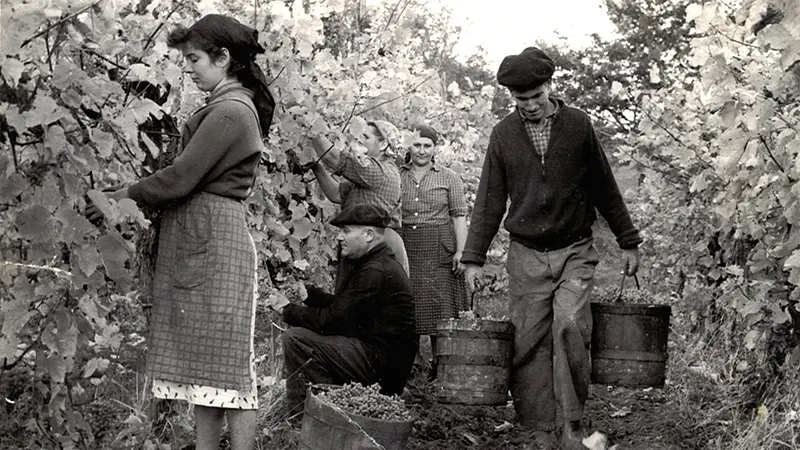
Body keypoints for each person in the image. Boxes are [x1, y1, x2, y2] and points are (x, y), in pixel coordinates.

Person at [86, 14, 275, 450]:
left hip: (217, 243)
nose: (188, 67)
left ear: (223, 58)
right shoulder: (223, 106)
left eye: (194, 59)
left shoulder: (231, 111)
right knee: (202, 367)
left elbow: (180, 178)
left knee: (230, 368)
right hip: (201, 238)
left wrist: (119, 197)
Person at [460, 47, 642, 450]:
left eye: (535, 97)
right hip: (525, 254)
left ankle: (572, 426)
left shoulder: (578, 126)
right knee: (527, 339)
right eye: (520, 100)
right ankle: (541, 429)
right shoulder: (503, 135)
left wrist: (628, 241)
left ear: (549, 87)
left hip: (574, 249)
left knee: (570, 327)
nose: (528, 106)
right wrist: (473, 257)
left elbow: (605, 187)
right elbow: (489, 200)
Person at [278, 203, 417, 416]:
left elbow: (332, 321)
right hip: (384, 361)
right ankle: (334, 402)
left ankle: (316, 413)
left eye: (346, 231)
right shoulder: (378, 263)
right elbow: (347, 308)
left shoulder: (375, 270)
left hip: (379, 366)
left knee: (296, 339)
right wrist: (312, 296)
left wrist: (287, 310)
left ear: (369, 235)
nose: (339, 237)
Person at [398, 124, 469, 378]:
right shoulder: (397, 175)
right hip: (407, 247)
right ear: (409, 146)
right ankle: (413, 368)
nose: (421, 151)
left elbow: (459, 216)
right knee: (409, 304)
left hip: (439, 248)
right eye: (417, 145)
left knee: (441, 307)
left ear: (434, 148)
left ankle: (443, 368)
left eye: (427, 146)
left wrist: (462, 252)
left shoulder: (448, 177)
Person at [308, 120, 410, 275]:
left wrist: (310, 126)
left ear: (383, 145)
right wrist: (315, 165)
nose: (359, 139)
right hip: (367, 242)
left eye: (366, 137)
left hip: (376, 245)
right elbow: (336, 193)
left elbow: (332, 157)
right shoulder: (368, 175)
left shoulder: (377, 170)